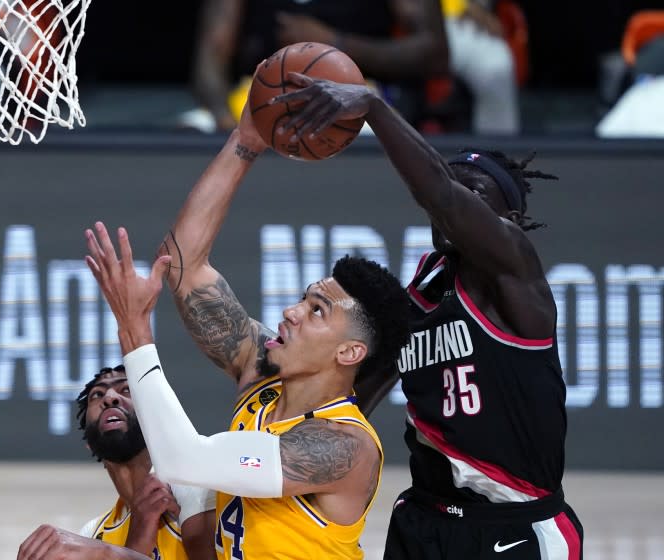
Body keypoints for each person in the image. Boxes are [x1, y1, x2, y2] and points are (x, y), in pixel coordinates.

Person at [256, 74, 584, 558]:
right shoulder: (426, 285)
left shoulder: (515, 271)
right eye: (452, 187)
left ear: (507, 221)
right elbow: (361, 385)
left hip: (514, 524)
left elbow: (441, 197)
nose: (451, 203)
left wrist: (373, 107)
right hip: (424, 518)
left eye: (473, 194)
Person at [84, 219, 411, 559]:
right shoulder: (263, 385)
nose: (292, 311)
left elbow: (181, 459)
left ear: (349, 352)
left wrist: (134, 327)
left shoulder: (343, 445)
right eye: (303, 298)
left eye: (316, 310)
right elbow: (183, 261)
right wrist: (243, 160)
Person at [18, 365, 216, 560]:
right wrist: (135, 541)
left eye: (127, 389)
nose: (110, 397)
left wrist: (110, 553)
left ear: (155, 419)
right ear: (89, 444)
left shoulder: (191, 483)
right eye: (96, 395)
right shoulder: (93, 533)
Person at [189, 0, 448, 131]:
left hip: (360, 99)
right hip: (260, 98)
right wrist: (224, 120)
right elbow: (211, 57)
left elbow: (435, 52)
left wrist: (335, 43)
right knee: (191, 130)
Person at [442, 0, 520, 134]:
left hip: (468, 25)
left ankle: (495, 147)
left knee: (497, 68)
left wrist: (480, 14)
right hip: (431, 26)